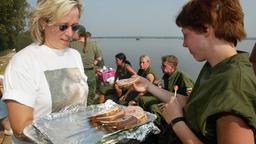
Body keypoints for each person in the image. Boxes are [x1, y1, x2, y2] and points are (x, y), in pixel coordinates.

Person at [133, 0, 256, 143]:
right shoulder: (216, 67)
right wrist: (148, 85)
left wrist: (177, 121)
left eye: (185, 35)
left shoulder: (235, 85)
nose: (184, 44)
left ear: (206, 28)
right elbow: (194, 104)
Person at [2, 0, 88, 143]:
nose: (70, 33)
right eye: (63, 26)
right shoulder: (24, 62)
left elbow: (80, 107)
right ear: (43, 23)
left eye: (75, 27)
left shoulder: (75, 56)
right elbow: (20, 128)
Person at [70, 29, 103, 106]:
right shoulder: (93, 44)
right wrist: (93, 63)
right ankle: (88, 108)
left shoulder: (71, 45)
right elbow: (99, 58)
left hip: (77, 72)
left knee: (78, 93)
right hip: (90, 72)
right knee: (91, 93)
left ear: (78, 34)